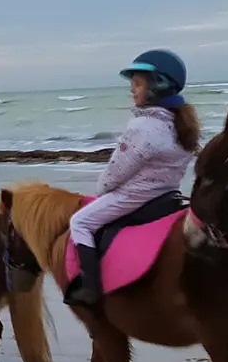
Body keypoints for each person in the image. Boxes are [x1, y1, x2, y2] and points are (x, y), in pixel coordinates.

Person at [63, 50, 200, 308]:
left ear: (157, 85)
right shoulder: (181, 125)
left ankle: (90, 286)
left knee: (80, 221)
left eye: (137, 83)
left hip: (133, 197)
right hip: (167, 194)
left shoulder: (143, 127)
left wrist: (101, 187)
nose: (132, 90)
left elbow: (113, 177)